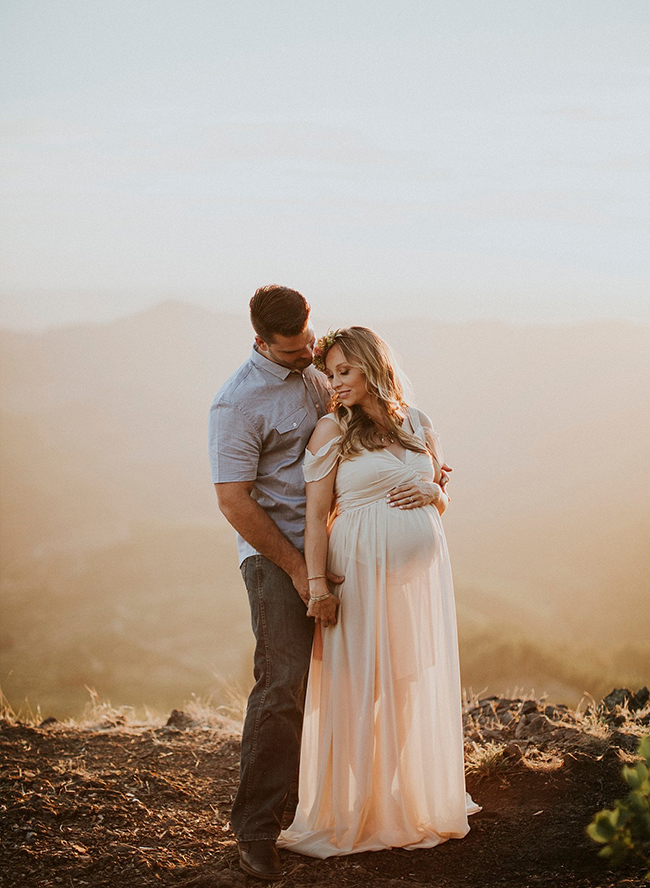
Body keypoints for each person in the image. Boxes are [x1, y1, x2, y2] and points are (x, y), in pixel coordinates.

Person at [277, 326, 480, 858]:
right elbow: (317, 518)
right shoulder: (329, 432)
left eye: (346, 372)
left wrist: (435, 489)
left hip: (415, 582)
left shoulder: (418, 422)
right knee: (357, 686)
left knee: (407, 682)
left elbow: (440, 499)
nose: (335, 383)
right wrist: (316, 585)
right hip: (358, 575)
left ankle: (396, 797)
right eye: (331, 373)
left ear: (374, 367)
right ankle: (358, 806)